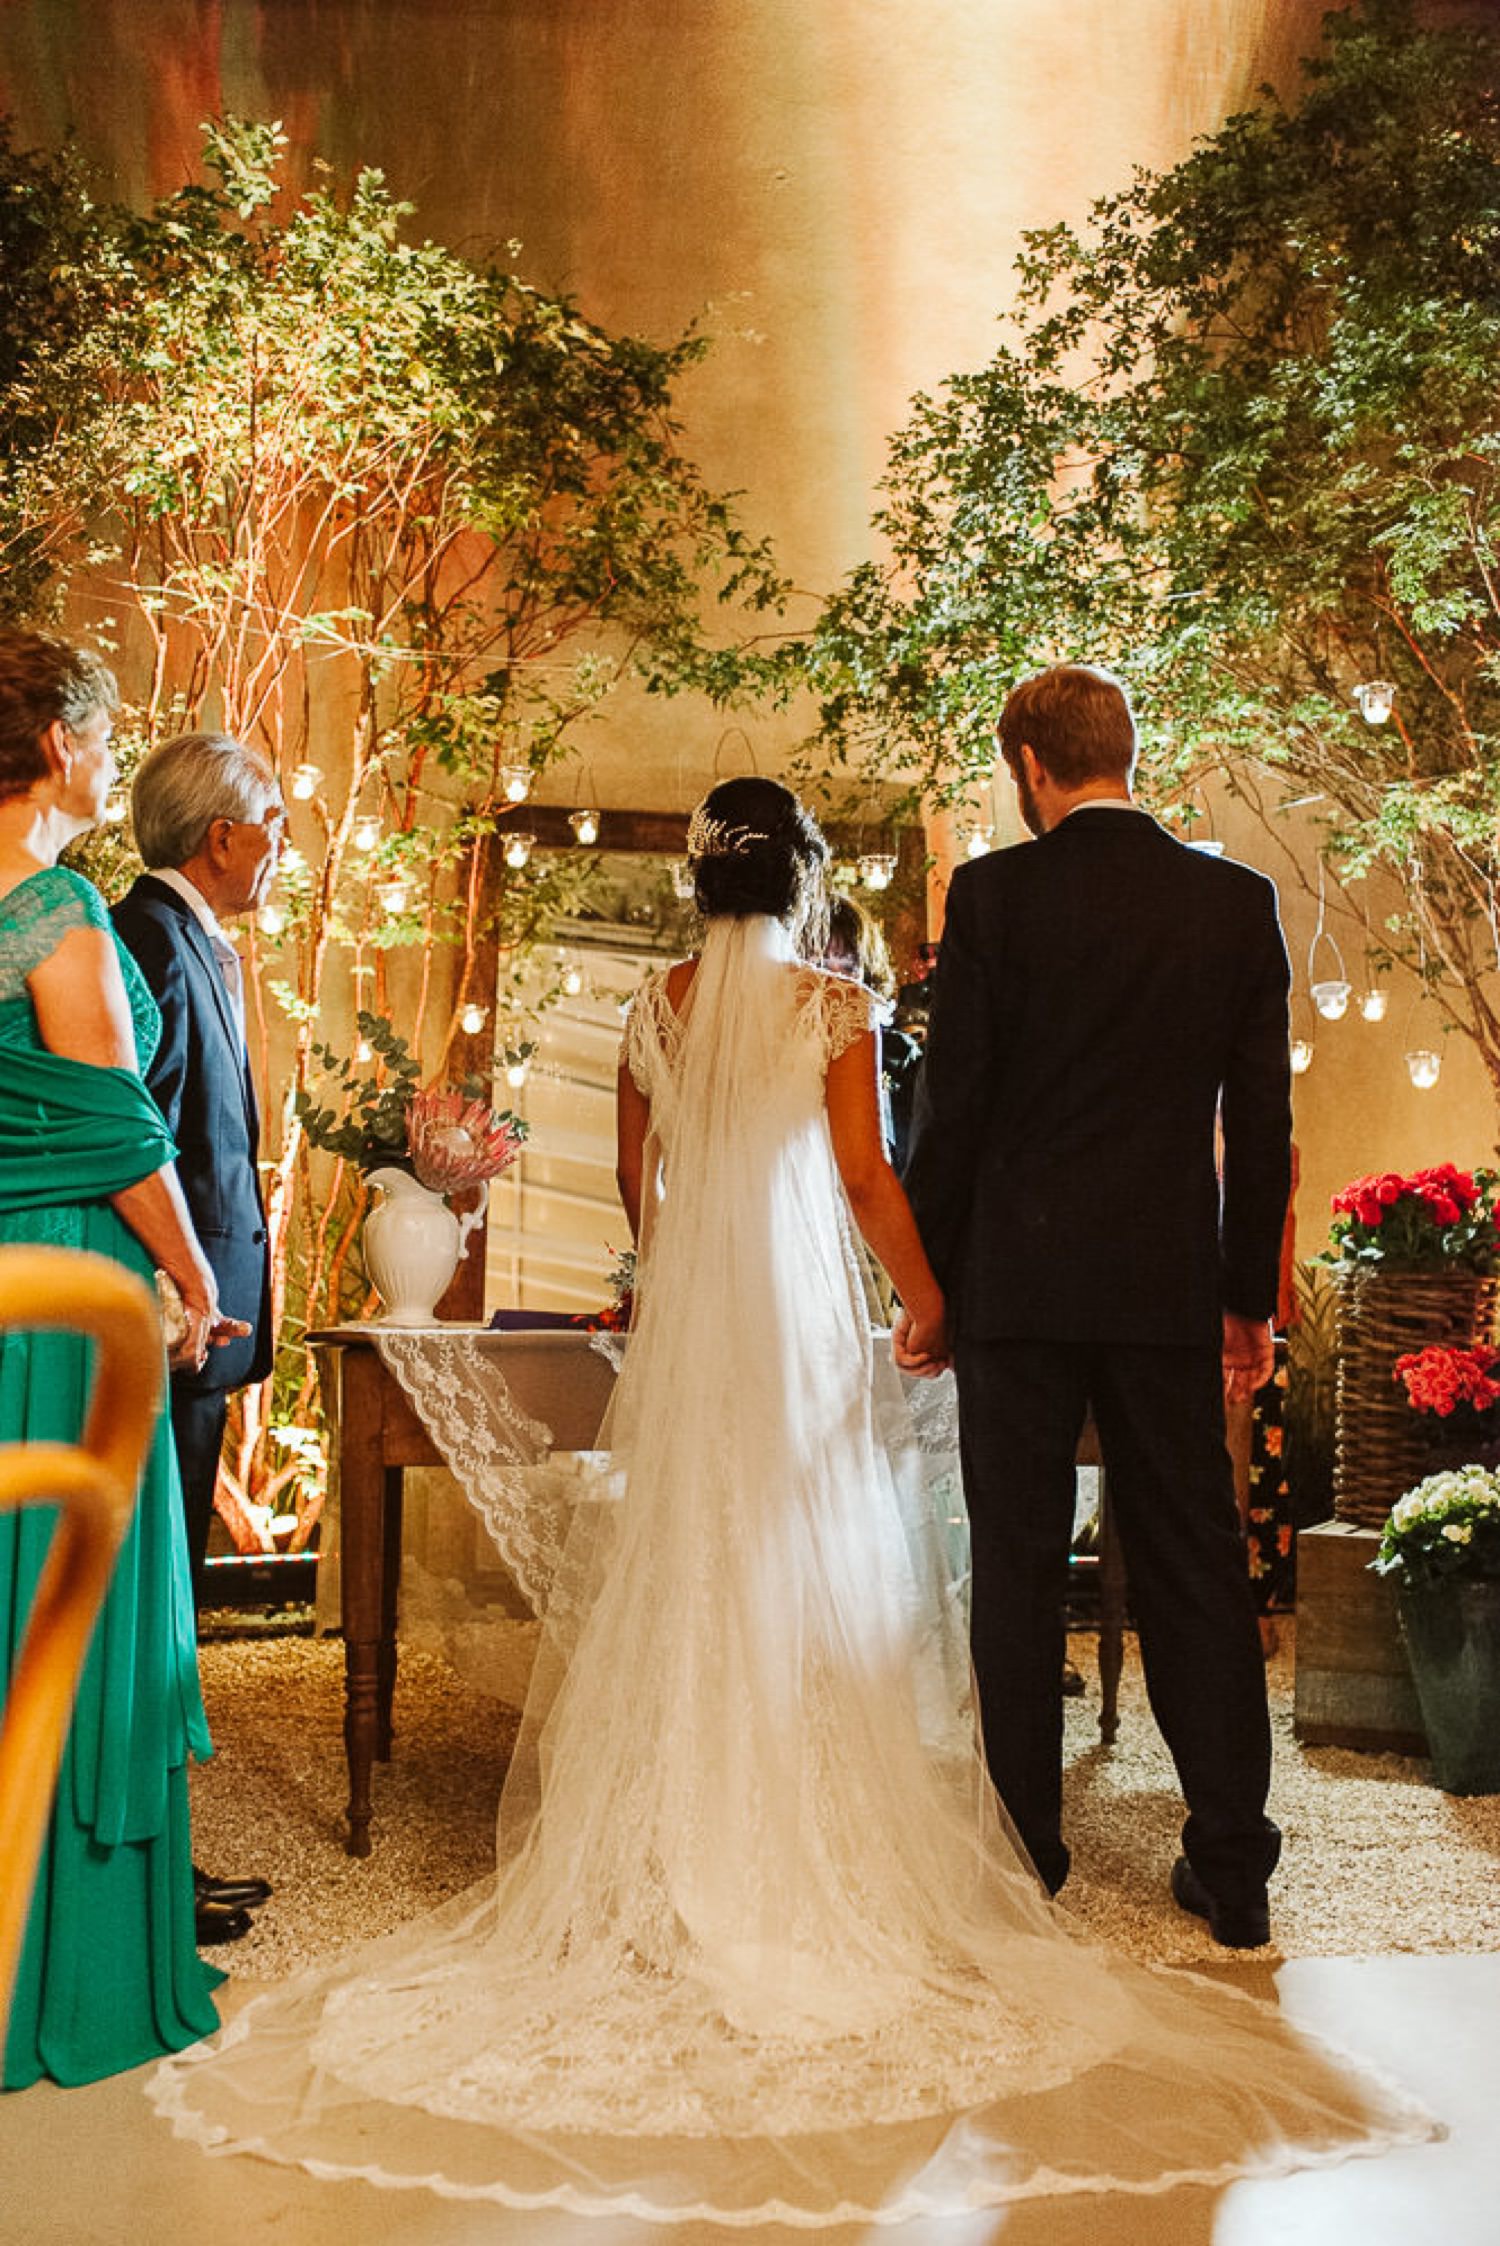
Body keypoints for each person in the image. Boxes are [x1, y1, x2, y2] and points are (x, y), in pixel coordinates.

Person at [148, 776, 1428, 2220]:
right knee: (825, 1562)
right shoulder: (834, 1007)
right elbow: (874, 1178)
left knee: (693, 1553)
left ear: (700, 879)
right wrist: (929, 1296)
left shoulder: (656, 1011)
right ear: (802, 875)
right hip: (822, 1324)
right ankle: (1028, 1846)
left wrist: (696, 1281)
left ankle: (672, 1838)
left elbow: (647, 1190)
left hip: (701, 1331)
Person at [901, 662, 1291, 1945]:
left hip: (1017, 1287)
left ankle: (1028, 1850)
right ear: (1128, 752)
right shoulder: (1235, 903)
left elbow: (955, 1111)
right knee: (1193, 1560)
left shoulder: (994, 896)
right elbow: (1262, 1125)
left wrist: (933, 1285)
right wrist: (1244, 1297)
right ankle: (1234, 1862)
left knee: (1015, 1564)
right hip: (1164, 1286)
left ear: (1029, 763)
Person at [0, 630, 246, 2091]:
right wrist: (198, 1269)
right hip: (73, 1280)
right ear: (54, 744)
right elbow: (113, 1124)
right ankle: (66, 1964)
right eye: (96, 736)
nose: (105, 759)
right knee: (77, 1604)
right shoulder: (56, 909)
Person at [112, 733, 282, 1931]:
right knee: (149, 1600)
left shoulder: (197, 940)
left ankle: (162, 1853)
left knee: (175, 1600)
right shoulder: (149, 941)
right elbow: (141, 1141)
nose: (281, 841)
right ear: (221, 835)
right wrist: (178, 1295)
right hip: (175, 1327)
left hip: (205, 1329)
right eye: (272, 816)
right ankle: (138, 1876)